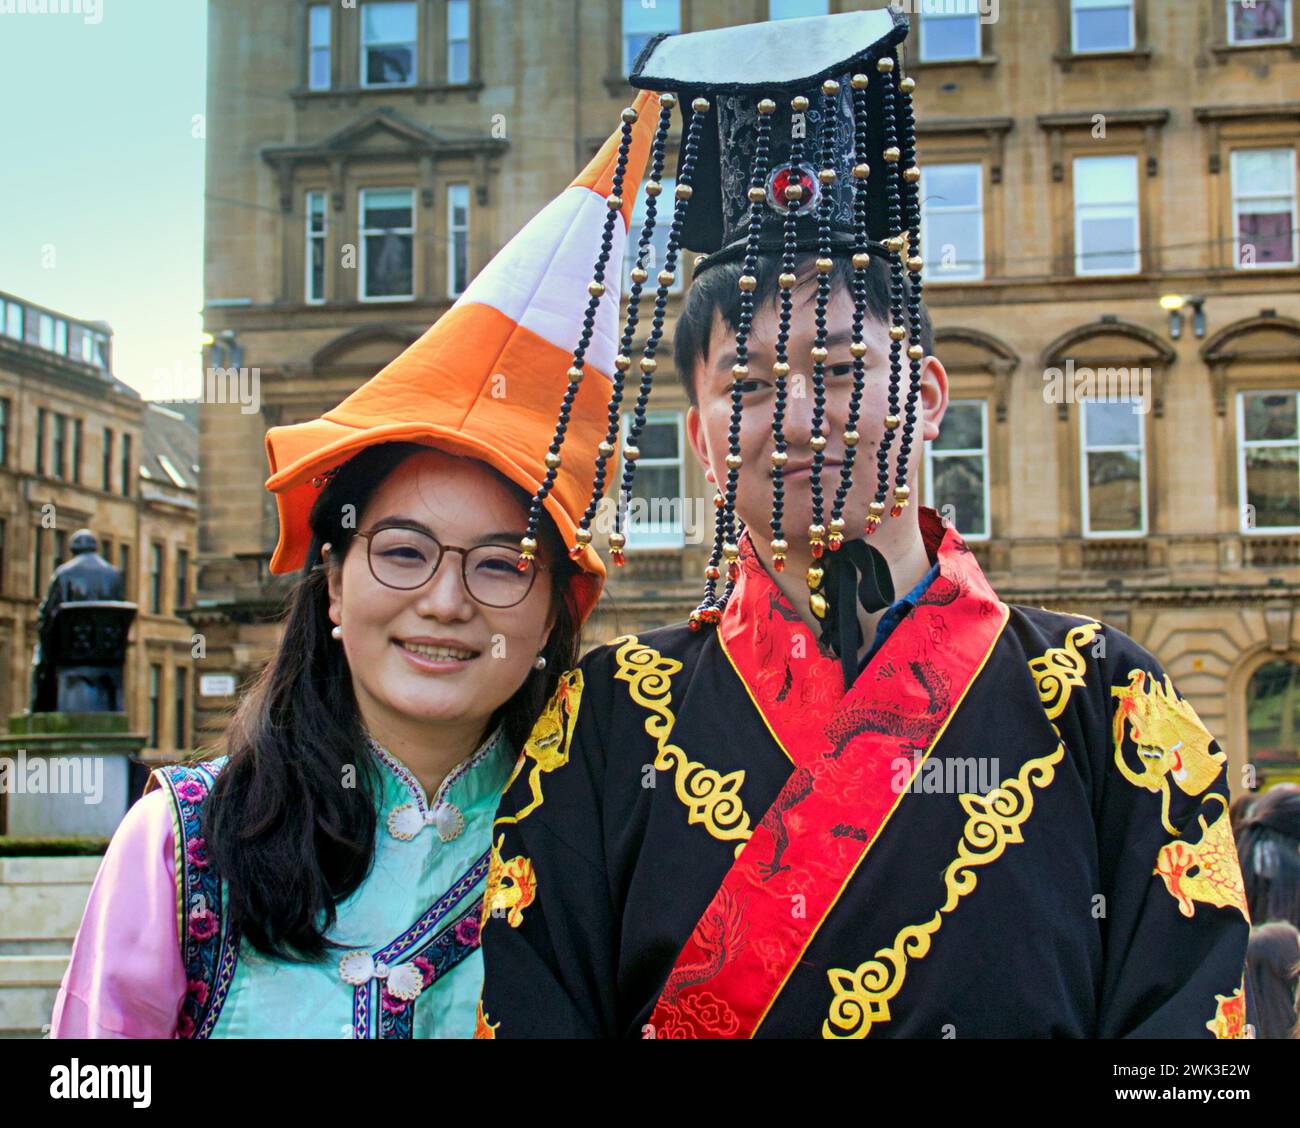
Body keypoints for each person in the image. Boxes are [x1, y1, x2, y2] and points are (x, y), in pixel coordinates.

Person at [476, 9, 1251, 1038]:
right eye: (747, 385)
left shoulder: (1105, 702)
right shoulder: (609, 719)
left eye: (841, 369)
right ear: (701, 444)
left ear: (928, 395)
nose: (798, 418)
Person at [48, 92, 664, 1039]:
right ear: (333, 582)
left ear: (555, 613)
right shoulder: (178, 850)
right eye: (404, 551)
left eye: (502, 566)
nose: (447, 601)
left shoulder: (615, 848)